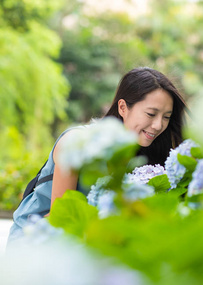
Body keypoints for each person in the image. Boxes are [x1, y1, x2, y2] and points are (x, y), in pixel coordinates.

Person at [8, 67, 187, 242]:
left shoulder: (141, 154)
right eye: (151, 113)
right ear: (123, 107)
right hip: (36, 243)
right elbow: (58, 217)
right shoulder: (77, 143)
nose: (158, 125)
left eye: (166, 117)